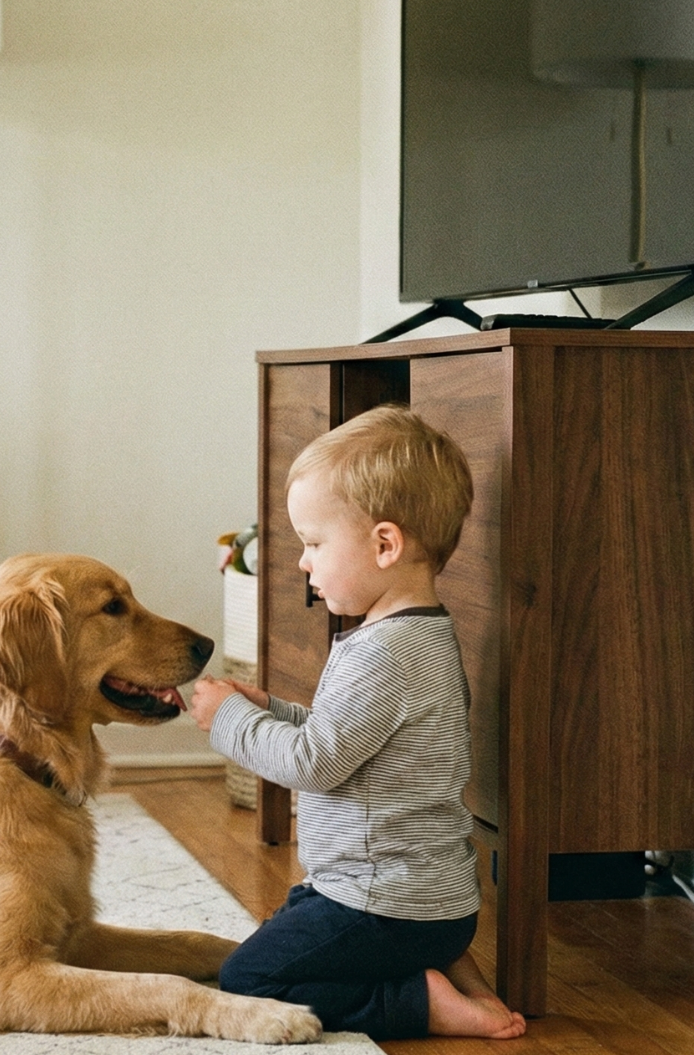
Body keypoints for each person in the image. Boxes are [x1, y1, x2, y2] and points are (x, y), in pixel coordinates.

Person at [187, 404, 525, 1041]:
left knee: (250, 981)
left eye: (314, 543)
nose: (302, 563)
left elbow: (315, 762)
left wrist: (229, 719)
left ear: (385, 544)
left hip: (385, 903)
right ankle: (451, 967)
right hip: (430, 900)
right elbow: (349, 738)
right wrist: (272, 712)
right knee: (292, 919)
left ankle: (421, 1002)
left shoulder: (387, 651)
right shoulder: (416, 635)